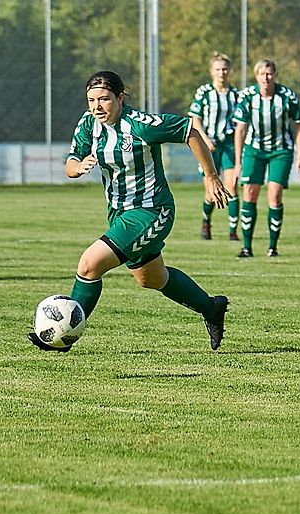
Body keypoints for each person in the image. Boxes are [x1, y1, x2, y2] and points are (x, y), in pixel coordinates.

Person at [28, 71, 231, 352]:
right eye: (91, 100)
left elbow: (190, 131)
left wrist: (210, 176)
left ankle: (64, 337)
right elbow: (70, 164)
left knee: (89, 264)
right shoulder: (89, 124)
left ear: (120, 98)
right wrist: (79, 166)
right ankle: (211, 307)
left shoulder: (141, 125)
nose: (97, 106)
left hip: (151, 211)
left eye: (104, 99)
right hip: (119, 215)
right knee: (151, 278)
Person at [232, 59, 300, 258]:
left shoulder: (287, 96)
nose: (266, 78)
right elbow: (240, 130)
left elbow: (299, 126)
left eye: (269, 74)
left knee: (274, 195)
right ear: (256, 76)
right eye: (262, 74)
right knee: (249, 193)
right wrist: (238, 162)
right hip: (254, 150)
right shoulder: (247, 96)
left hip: (280, 151)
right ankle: (246, 247)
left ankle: (273, 247)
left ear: (275, 75)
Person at [189, 53, 241, 241]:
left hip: (228, 144)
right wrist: (204, 139)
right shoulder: (204, 92)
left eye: (225, 69)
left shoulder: (236, 94)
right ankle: (206, 221)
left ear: (230, 71)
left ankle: (233, 231)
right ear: (212, 71)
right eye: (218, 69)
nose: (222, 73)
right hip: (208, 145)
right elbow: (194, 118)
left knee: (232, 185)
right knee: (211, 191)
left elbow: (241, 122)